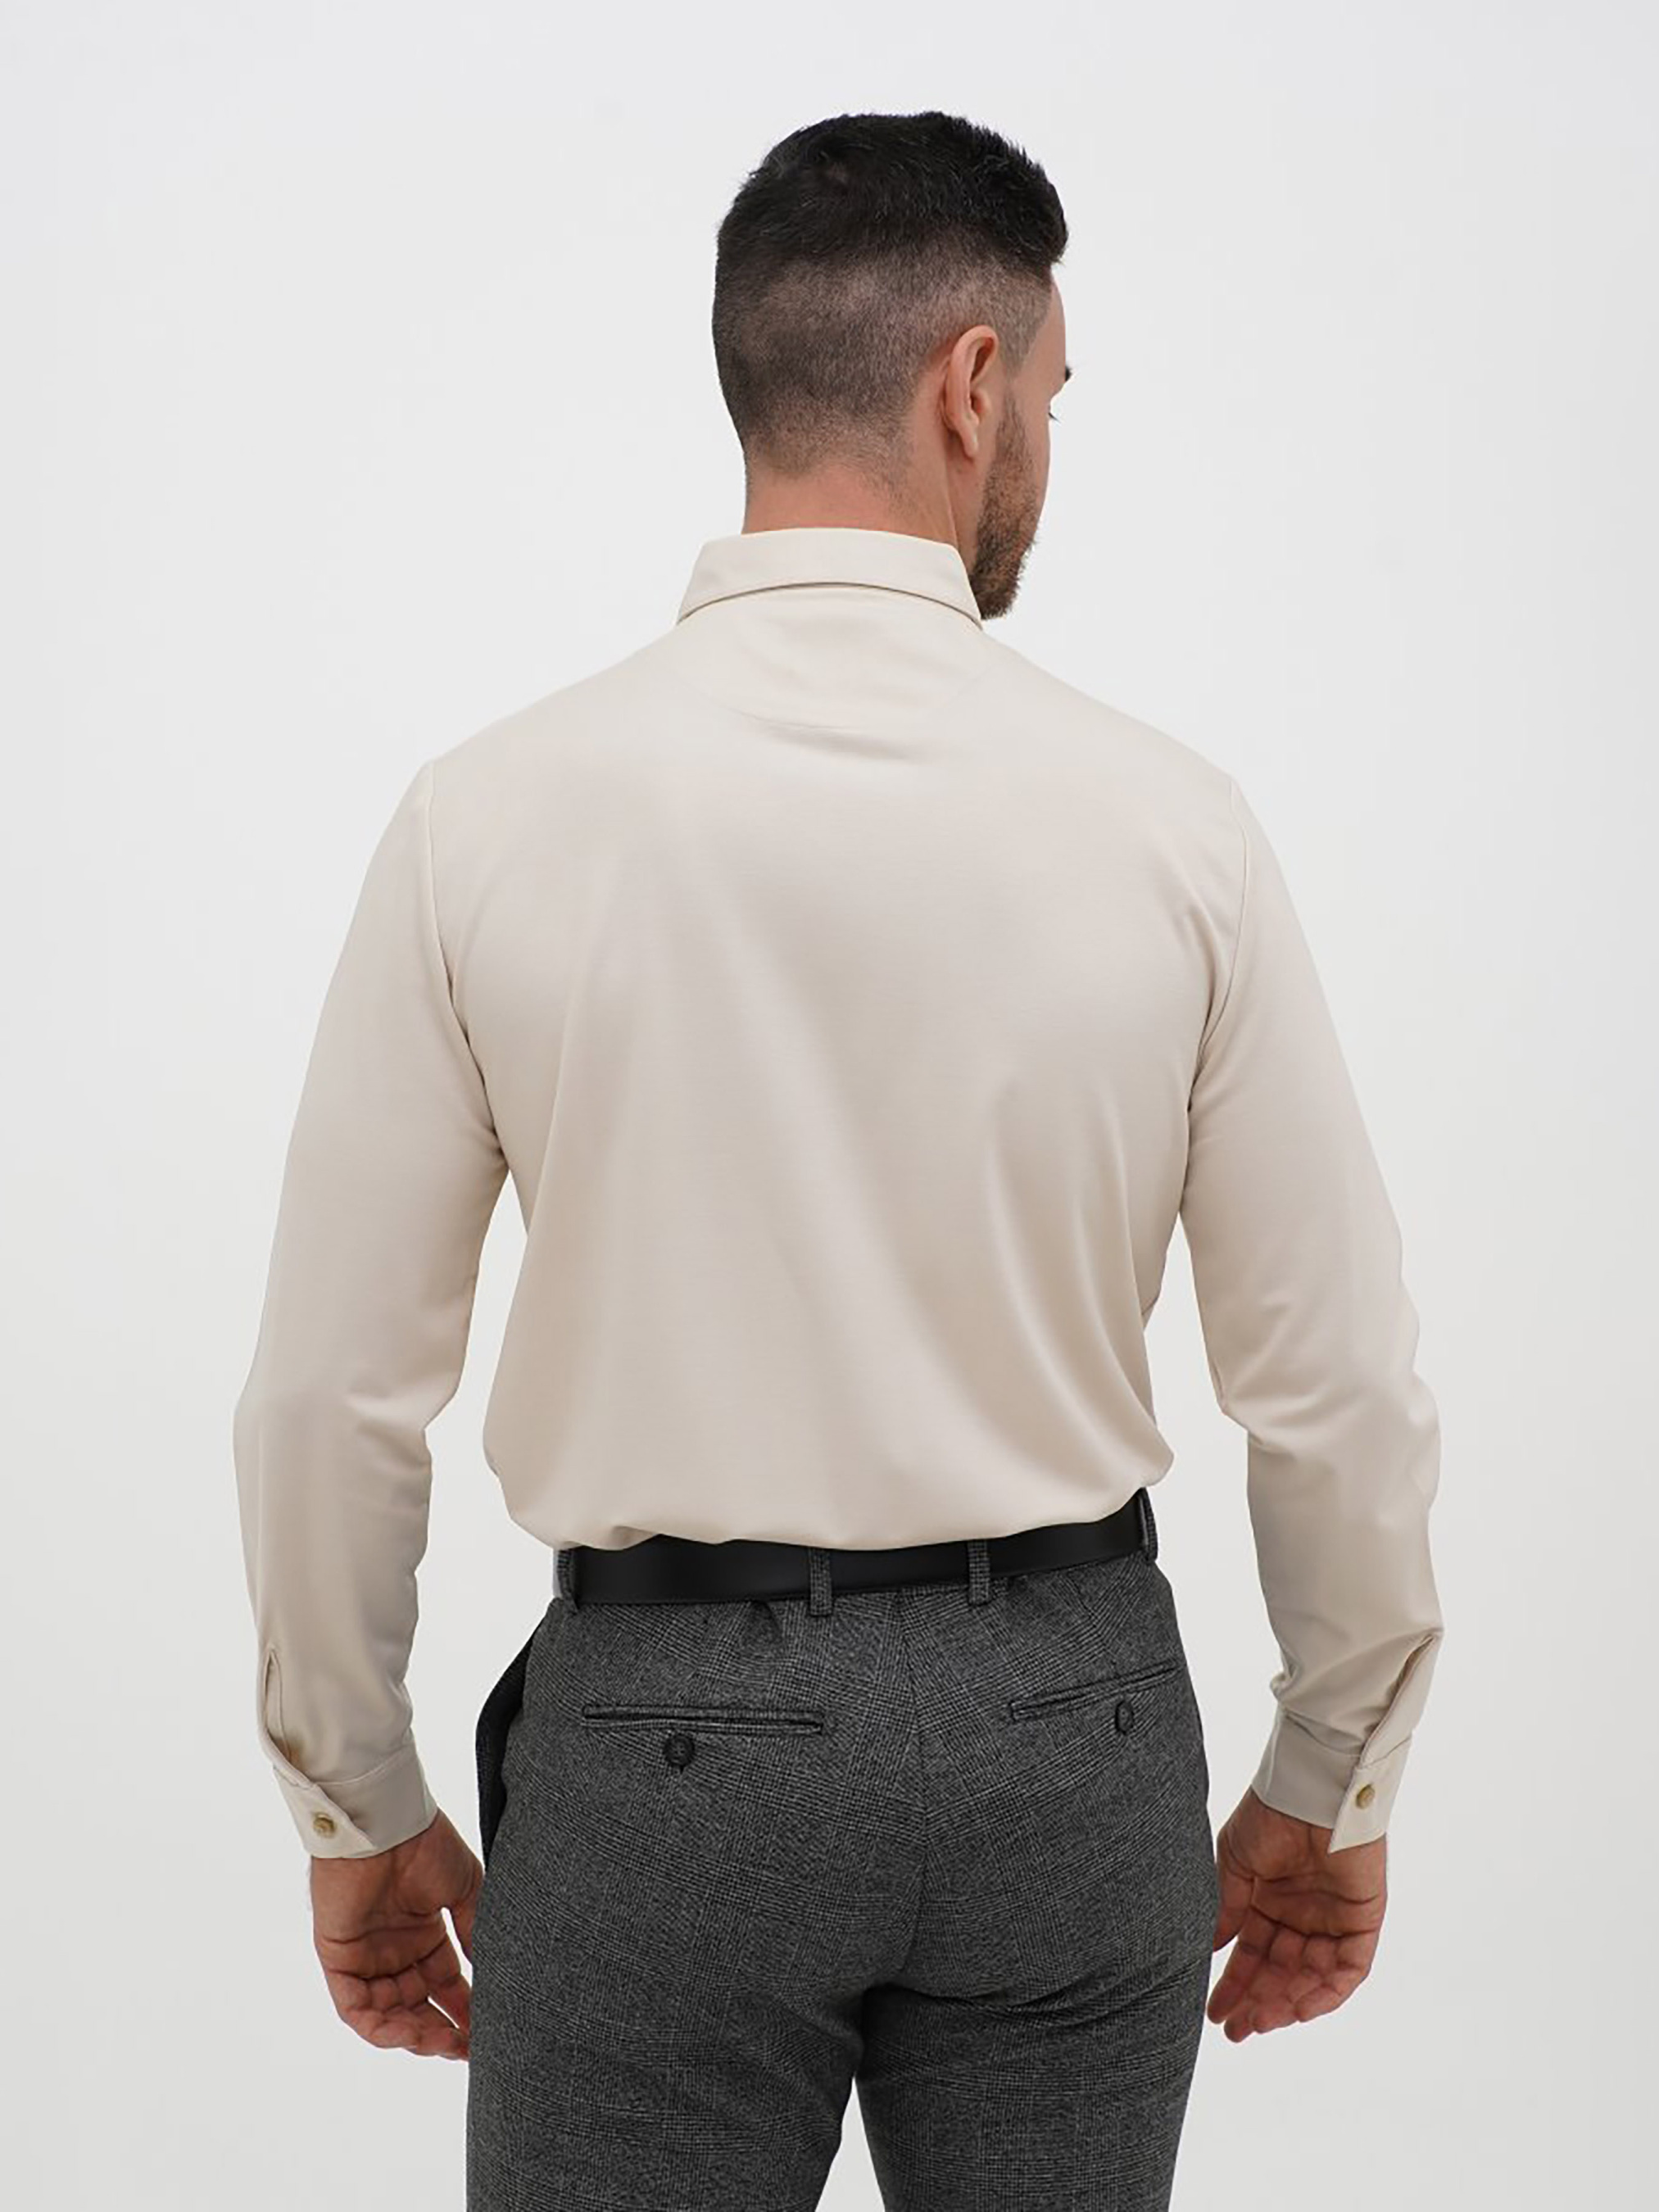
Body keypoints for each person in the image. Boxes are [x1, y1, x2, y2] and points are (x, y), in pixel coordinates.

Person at [233, 108, 1446, 2212]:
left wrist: (354, 1794)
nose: (1046, 443)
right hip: (1069, 1730)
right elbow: (1332, 1382)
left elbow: (332, 1396)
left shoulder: (486, 818)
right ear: (969, 385)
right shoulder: (1172, 828)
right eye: (1051, 390)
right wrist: (1331, 1770)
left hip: (661, 1757)